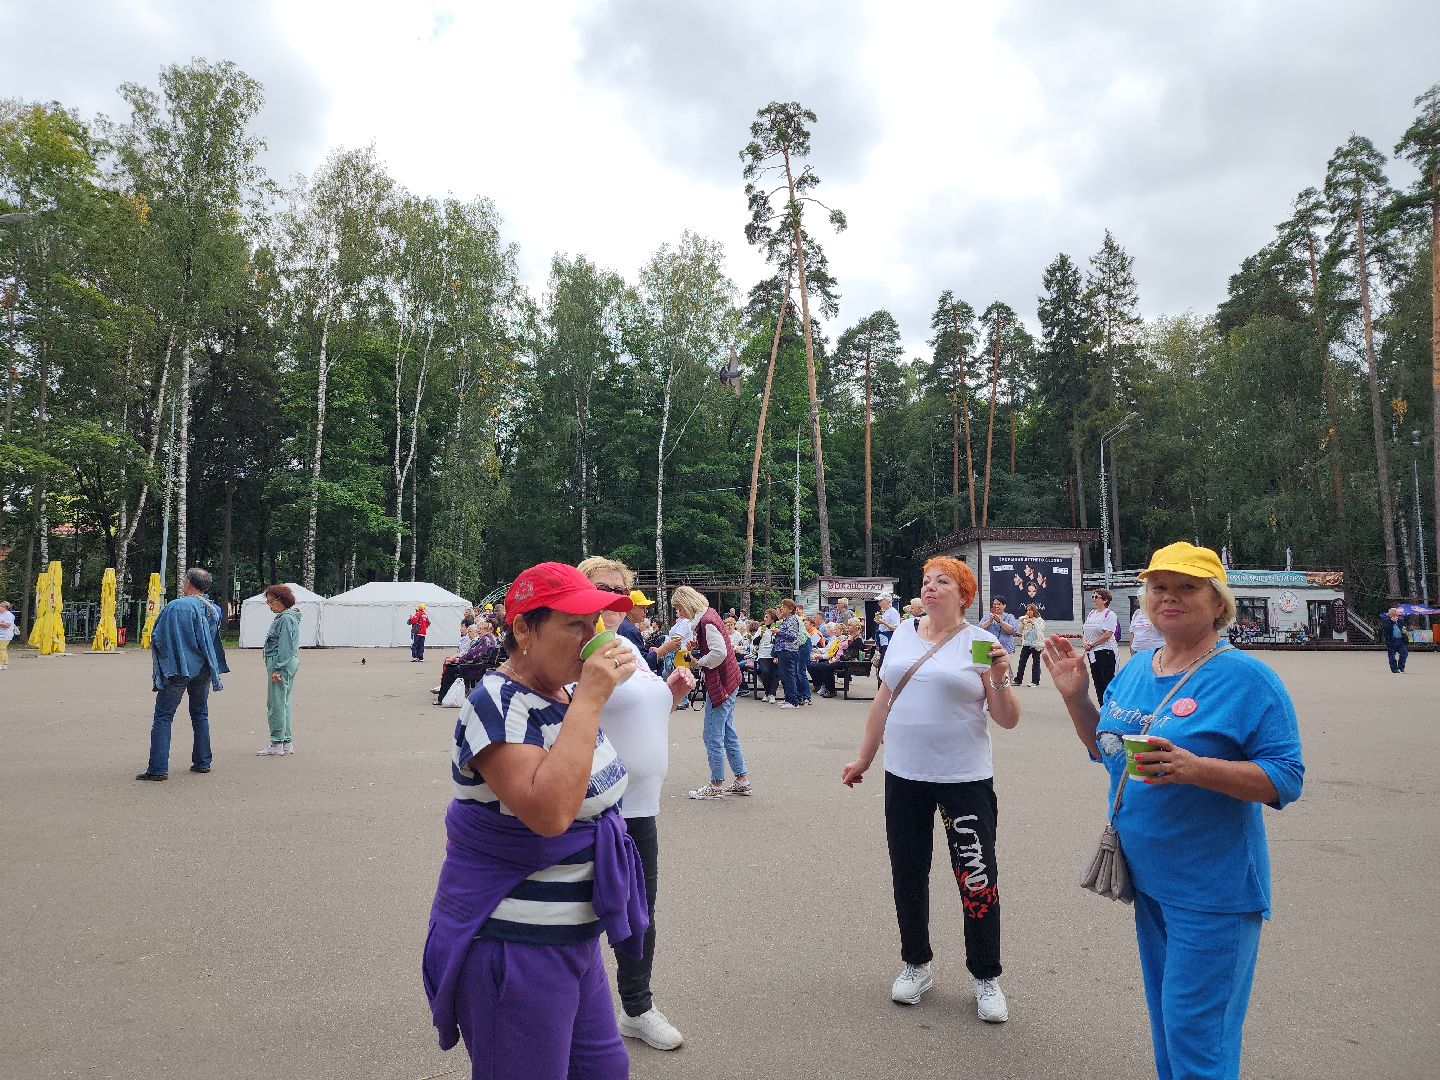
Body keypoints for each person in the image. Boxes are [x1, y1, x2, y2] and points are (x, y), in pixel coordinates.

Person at [1043, 542, 1304, 1080]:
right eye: (1159, 587)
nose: (1170, 597)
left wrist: (1197, 768)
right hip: (1148, 881)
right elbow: (1107, 753)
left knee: (1197, 1034)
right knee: (1169, 1022)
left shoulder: (1248, 679)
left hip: (1213, 889)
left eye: (1188, 587)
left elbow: (1286, 778)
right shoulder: (1139, 667)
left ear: (1218, 603)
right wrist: (1076, 698)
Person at [422, 562, 647, 1080]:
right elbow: (550, 813)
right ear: (523, 629)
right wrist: (591, 698)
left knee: (604, 1069)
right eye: (574, 625)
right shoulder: (495, 702)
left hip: (574, 940)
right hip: (515, 945)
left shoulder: (562, 695)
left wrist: (585, 698)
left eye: (595, 624)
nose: (591, 638)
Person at [841, 556, 1020, 1024]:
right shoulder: (903, 633)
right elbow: (883, 701)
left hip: (964, 778)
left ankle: (986, 975)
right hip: (905, 775)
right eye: (926, 581)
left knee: (976, 876)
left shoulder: (978, 641)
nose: (930, 588)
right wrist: (864, 758)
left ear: (964, 594)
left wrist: (1001, 675)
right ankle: (916, 964)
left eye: (943, 581)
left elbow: (1007, 718)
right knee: (908, 871)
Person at [577, 558, 695, 1051]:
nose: (614, 599)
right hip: (595, 808)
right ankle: (571, 1011)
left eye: (621, 591)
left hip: (642, 808)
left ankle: (636, 1007)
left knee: (639, 914)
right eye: (602, 588)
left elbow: (643, 710)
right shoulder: (577, 650)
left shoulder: (627, 647)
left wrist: (671, 693)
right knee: (577, 914)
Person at [136, 567, 229, 781]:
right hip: (204, 668)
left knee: (164, 715)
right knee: (200, 713)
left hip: (179, 667)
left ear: (188, 583)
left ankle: (158, 768)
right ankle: (202, 762)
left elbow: (158, 635)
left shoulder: (176, 606)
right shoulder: (214, 609)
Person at [672, 586, 751, 801]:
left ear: (686, 604)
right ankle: (741, 779)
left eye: (679, 608)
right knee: (727, 732)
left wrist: (699, 663)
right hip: (729, 680)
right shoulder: (710, 615)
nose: (679, 612)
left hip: (721, 683)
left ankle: (716, 784)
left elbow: (719, 652)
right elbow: (719, 648)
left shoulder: (705, 621)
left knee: (712, 735)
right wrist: (699, 647)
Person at [258, 584, 301, 756]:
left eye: (271, 601)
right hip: (287, 662)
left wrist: (278, 668)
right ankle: (286, 742)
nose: (269, 605)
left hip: (280, 662)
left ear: (281, 600)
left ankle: (277, 743)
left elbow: (285, 645)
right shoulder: (289, 617)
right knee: (284, 702)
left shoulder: (285, 619)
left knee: (276, 703)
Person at [1083, 588, 1121, 704]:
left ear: (1105, 600)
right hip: (1092, 652)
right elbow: (1085, 632)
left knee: (1108, 681)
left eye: (1096, 597)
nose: (1094, 599)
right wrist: (1085, 642)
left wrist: (1092, 643)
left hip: (1105, 651)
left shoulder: (1109, 614)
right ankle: (1102, 706)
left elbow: (1108, 634)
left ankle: (1111, 706)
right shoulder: (1091, 614)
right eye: (1093, 597)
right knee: (1097, 681)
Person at [772, 599, 805, 709]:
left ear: (790, 609)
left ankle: (793, 701)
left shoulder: (792, 619)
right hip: (783, 650)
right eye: (781, 606)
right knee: (784, 675)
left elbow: (793, 636)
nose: (781, 608)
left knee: (789, 676)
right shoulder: (786, 619)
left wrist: (779, 632)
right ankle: (787, 699)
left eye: (784, 607)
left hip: (788, 650)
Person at [978, 599, 1018, 676]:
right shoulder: (987, 616)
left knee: (1005, 673)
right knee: (988, 674)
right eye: (994, 604)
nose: (996, 606)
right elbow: (980, 629)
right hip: (989, 649)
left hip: (1005, 649)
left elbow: (1012, 631)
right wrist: (990, 621)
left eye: (999, 604)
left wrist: (1000, 621)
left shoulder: (1010, 617)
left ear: (1004, 605)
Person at [1015, 604, 1045, 687]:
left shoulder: (1040, 620)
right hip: (1026, 643)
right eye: (1027, 610)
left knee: (1036, 662)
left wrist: (1033, 622)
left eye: (1030, 610)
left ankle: (1035, 681)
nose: (1028, 612)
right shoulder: (1025, 620)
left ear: (1034, 611)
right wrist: (1021, 623)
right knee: (1022, 662)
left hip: (1036, 644)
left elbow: (1040, 630)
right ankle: (1018, 680)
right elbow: (1019, 631)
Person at [1130, 586, 1166, 654]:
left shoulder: (1160, 612)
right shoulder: (1137, 613)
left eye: (1144, 597)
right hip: (1137, 651)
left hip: (1156, 650)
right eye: (1140, 598)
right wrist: (1132, 648)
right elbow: (1132, 632)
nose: (1142, 600)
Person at [753, 611, 779, 703]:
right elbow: (754, 642)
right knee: (765, 671)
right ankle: (767, 692)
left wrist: (776, 655)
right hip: (763, 655)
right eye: (764, 617)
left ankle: (772, 694)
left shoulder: (776, 628)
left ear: (772, 619)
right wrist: (760, 636)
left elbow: (779, 642)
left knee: (775, 674)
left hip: (774, 655)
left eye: (767, 617)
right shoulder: (761, 628)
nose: (765, 619)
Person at [1379, 606, 1408, 674]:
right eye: (1393, 614)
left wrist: (1405, 631)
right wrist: (1392, 622)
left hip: (1400, 640)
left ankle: (1401, 667)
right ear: (1390, 615)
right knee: (1392, 655)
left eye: (1396, 614)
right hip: (1391, 641)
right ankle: (1394, 669)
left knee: (1404, 653)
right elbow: (1385, 630)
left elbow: (1404, 628)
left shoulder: (1401, 621)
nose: (1395, 616)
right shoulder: (1386, 621)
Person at [875, 595, 901, 668]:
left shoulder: (893, 612)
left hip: (888, 642)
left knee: (883, 665)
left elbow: (896, 628)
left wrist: (883, 622)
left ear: (886, 601)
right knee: (882, 665)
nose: (879, 603)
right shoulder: (886, 612)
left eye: (881, 601)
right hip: (883, 641)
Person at [0, 599, 14, 669]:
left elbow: (7, 625)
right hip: (1, 634)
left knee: (1, 649)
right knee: (3, 649)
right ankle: (5, 664)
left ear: (5, 607)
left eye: (0, 606)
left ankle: (1, 663)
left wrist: (0, 623)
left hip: (5, 635)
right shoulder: (1, 614)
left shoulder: (8, 615)